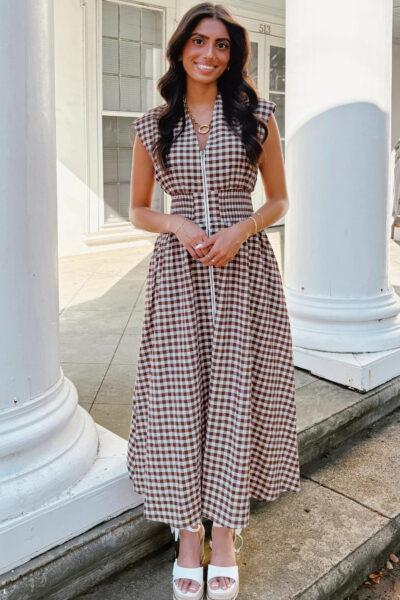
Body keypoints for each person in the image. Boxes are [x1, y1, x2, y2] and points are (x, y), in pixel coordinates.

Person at [126, 3, 301, 599]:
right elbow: (138, 209)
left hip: (243, 269)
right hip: (179, 273)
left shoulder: (257, 117)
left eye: (222, 45)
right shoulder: (152, 126)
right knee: (179, 395)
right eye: (199, 42)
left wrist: (241, 230)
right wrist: (177, 224)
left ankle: (223, 532)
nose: (210, 54)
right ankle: (187, 535)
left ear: (233, 55)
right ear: (181, 48)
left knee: (234, 392)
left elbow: (278, 199)